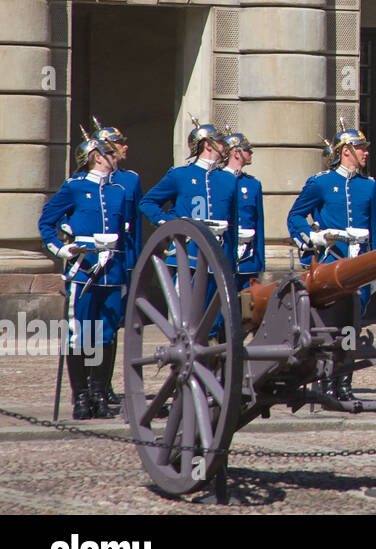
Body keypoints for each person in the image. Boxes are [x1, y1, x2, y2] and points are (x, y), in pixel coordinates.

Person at [286, 121, 376, 404]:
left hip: (359, 263)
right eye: (361, 148)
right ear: (346, 151)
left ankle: (344, 380)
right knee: (329, 326)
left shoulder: (369, 186)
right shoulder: (322, 182)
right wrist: (313, 237)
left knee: (351, 326)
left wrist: (374, 269)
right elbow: (295, 216)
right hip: (331, 261)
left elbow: (372, 228)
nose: (366, 153)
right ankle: (325, 378)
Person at [39, 130, 130, 419]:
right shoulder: (74, 187)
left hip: (112, 269)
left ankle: (98, 395)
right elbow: (47, 221)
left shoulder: (119, 190)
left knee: (104, 334)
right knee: (80, 334)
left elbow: (125, 231)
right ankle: (80, 398)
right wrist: (61, 250)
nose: (114, 157)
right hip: (84, 270)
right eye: (109, 153)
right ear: (97, 157)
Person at [140, 118, 239, 275]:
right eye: (220, 142)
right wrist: (170, 224)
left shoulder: (229, 179)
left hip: (220, 255)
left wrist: (232, 260)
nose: (225, 145)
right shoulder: (180, 175)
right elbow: (148, 202)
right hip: (187, 251)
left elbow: (233, 221)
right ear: (208, 144)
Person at [90, 118, 140, 408]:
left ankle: (105, 384)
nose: (124, 148)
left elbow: (133, 226)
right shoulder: (87, 181)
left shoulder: (130, 179)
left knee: (112, 326)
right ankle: (91, 387)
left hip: (122, 258)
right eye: (119, 144)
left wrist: (135, 261)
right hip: (95, 262)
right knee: (90, 329)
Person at [223, 130, 265, 292]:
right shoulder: (217, 179)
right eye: (246, 150)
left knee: (248, 308)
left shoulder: (253, 184)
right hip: (225, 251)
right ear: (236, 152)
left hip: (249, 257)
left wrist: (260, 261)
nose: (250, 153)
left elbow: (259, 223)